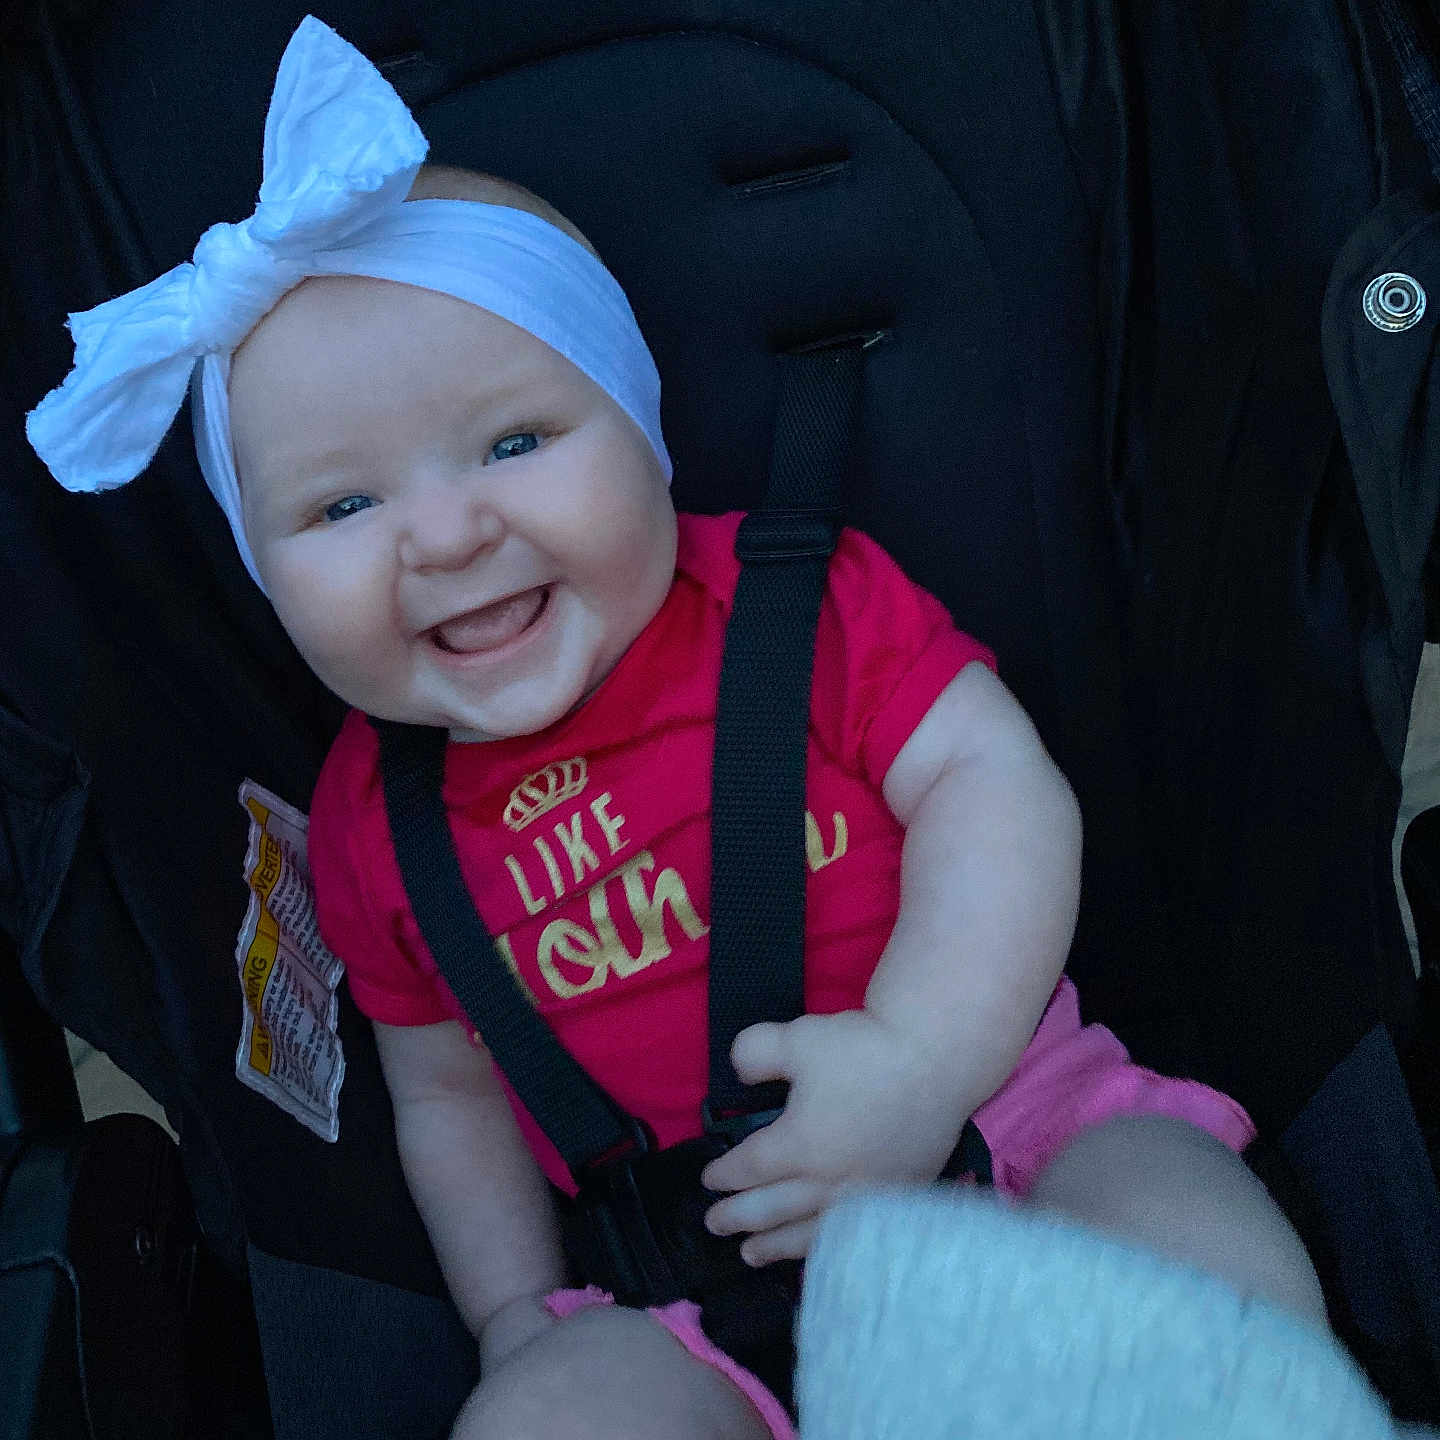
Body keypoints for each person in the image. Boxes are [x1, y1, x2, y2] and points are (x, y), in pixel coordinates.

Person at [26, 17, 1326, 1440]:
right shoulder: (364, 821)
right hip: (684, 1301)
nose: (447, 533)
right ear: (267, 573)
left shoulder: (795, 607)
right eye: (343, 508)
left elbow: (991, 788)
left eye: (517, 443)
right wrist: (514, 1318)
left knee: (1196, 1254)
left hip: (1006, 1129)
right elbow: (449, 1094)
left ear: (639, 433)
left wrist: (917, 1059)